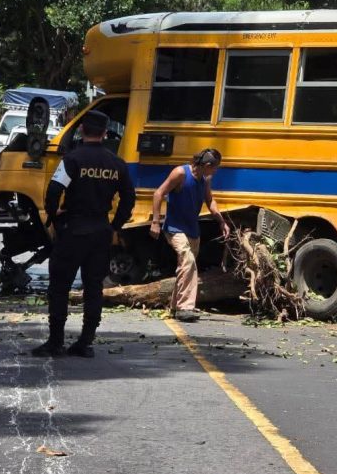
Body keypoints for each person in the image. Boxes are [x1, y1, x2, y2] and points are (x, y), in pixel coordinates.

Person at [35, 110, 135, 358]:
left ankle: (56, 342)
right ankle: (86, 341)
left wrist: (54, 217)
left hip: (73, 230)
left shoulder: (72, 159)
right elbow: (128, 199)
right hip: (100, 232)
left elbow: (53, 191)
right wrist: (115, 226)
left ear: (81, 130)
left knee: (60, 287)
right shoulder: (116, 163)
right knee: (93, 288)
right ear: (105, 133)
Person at [150, 148, 229, 322]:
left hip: (192, 230)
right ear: (207, 165)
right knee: (188, 261)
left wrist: (221, 221)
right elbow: (159, 193)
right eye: (215, 167)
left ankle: (175, 307)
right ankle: (186, 308)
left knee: (185, 268)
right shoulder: (180, 173)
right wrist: (155, 222)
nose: (215, 171)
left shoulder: (205, 179)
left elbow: (210, 200)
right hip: (174, 228)